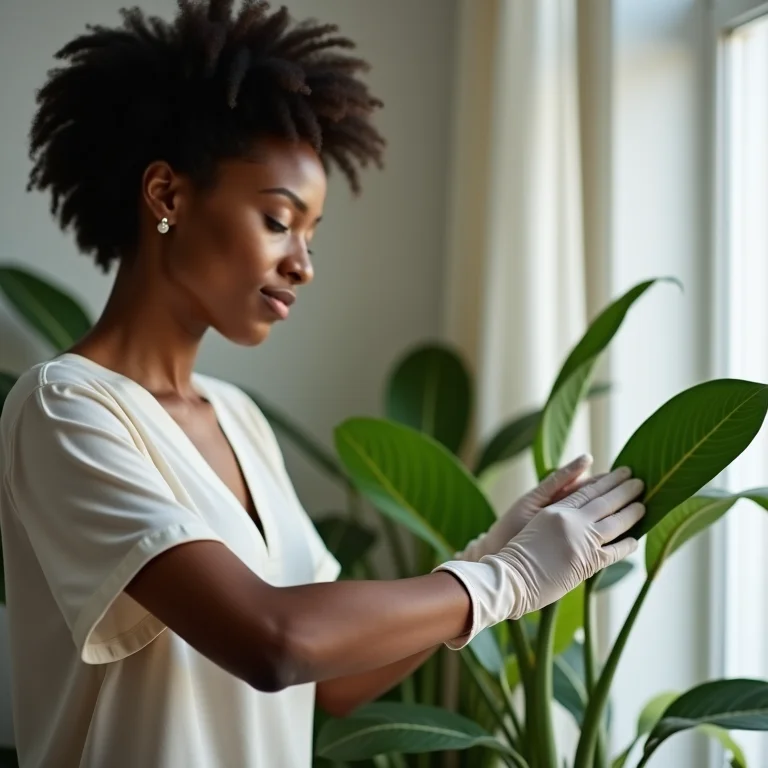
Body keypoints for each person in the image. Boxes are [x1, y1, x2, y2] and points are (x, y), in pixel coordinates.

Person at [0, 2, 645, 766]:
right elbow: (273, 640)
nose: (303, 262)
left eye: (311, 234)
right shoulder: (65, 408)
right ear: (168, 196)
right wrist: (504, 579)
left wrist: (484, 551)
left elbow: (333, 679)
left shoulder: (236, 419)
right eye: (279, 221)